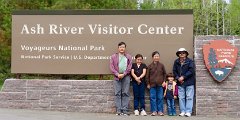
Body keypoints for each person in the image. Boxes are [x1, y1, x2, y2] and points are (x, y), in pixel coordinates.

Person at [110, 42, 132, 116]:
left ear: (125, 48)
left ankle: (125, 110)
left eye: (123, 47)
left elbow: (129, 67)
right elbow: (112, 67)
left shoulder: (128, 56)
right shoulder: (113, 56)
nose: (122, 48)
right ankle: (118, 110)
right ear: (118, 48)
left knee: (125, 93)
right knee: (117, 93)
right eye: (120, 47)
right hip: (117, 77)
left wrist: (124, 74)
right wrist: (117, 74)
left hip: (126, 76)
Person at [173, 48, 195, 117]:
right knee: (181, 97)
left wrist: (183, 77)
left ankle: (188, 111)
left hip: (189, 82)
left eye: (183, 53)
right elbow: (174, 71)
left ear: (186, 54)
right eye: (180, 53)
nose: (181, 54)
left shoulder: (190, 61)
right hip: (180, 82)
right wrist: (178, 78)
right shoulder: (176, 62)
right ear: (178, 54)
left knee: (189, 97)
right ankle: (182, 111)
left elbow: (191, 71)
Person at [146, 51, 166, 116]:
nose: (156, 57)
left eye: (157, 56)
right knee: (152, 98)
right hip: (152, 85)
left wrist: (164, 81)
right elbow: (147, 76)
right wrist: (148, 84)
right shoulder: (150, 66)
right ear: (152, 57)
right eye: (155, 56)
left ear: (159, 57)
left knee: (160, 98)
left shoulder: (162, 65)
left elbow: (165, 74)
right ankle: (154, 111)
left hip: (160, 84)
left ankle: (160, 111)